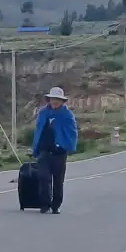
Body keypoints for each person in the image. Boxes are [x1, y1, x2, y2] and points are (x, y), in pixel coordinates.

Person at [31, 86, 78, 215]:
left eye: (57, 99)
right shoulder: (43, 113)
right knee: (43, 177)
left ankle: (56, 205)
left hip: (59, 153)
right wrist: (35, 148)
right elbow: (38, 131)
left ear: (62, 101)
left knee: (58, 180)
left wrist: (67, 146)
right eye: (53, 99)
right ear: (49, 100)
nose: (55, 102)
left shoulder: (67, 115)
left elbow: (72, 132)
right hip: (44, 150)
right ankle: (44, 204)